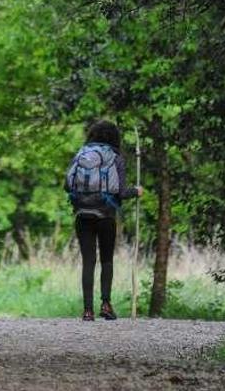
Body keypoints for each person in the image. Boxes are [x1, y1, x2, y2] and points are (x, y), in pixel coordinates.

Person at [64, 120, 143, 321]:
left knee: (88, 262)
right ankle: (106, 305)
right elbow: (122, 192)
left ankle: (88, 310)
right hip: (106, 214)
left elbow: (67, 186)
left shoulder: (81, 154)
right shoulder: (115, 158)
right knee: (106, 261)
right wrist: (137, 191)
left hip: (82, 214)